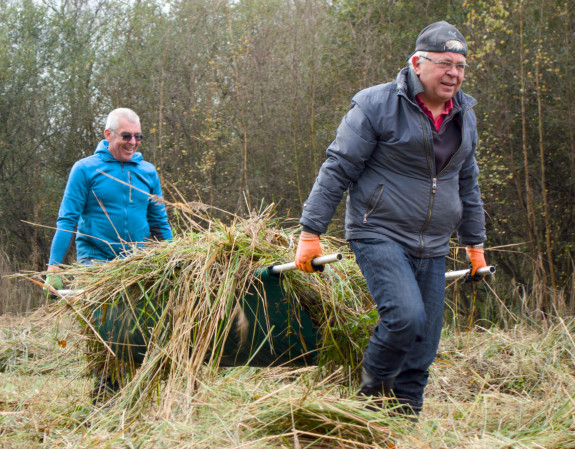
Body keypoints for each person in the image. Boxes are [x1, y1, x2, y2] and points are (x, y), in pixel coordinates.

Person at [295, 21, 488, 416]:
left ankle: (401, 428)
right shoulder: (376, 105)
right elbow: (338, 166)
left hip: (433, 243)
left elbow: (467, 182)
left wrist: (475, 244)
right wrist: (310, 232)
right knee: (405, 317)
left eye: (461, 66)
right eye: (445, 63)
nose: (454, 73)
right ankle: (368, 406)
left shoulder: (464, 114)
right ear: (418, 63)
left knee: (424, 344)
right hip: (378, 231)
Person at [44, 107, 173, 289]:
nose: (133, 142)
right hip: (95, 264)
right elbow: (67, 220)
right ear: (108, 134)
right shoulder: (85, 169)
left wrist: (173, 260)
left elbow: (159, 222)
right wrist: (53, 267)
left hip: (139, 263)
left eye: (138, 137)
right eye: (126, 136)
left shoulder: (148, 171)